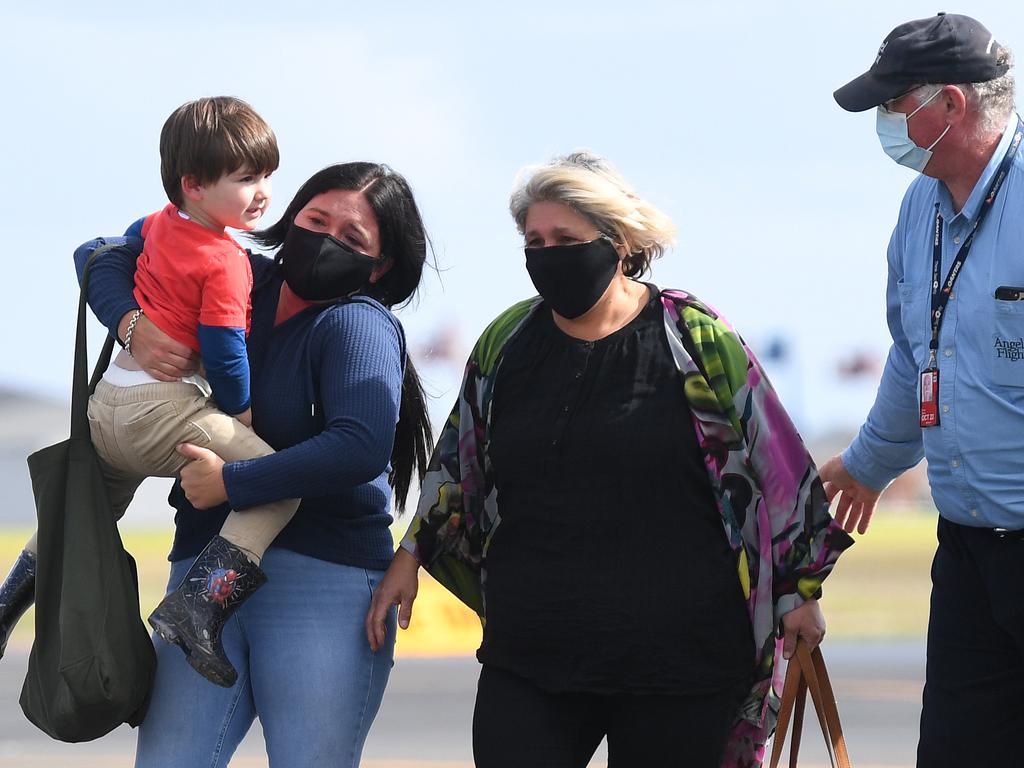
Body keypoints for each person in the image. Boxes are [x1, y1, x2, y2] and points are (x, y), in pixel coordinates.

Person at [366, 152, 853, 768]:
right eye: (533, 241)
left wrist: (800, 592)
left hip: (681, 663)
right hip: (532, 653)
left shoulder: (695, 340)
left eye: (565, 239)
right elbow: (456, 468)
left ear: (618, 242)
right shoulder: (506, 344)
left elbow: (779, 468)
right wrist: (409, 556)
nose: (546, 255)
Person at [55, 162, 431, 767]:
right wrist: (133, 325)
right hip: (198, 577)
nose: (327, 239)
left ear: (379, 266)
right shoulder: (238, 276)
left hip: (322, 583)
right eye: (316, 219)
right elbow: (98, 255)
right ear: (290, 216)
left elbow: (358, 446)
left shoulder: (356, 323)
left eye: (352, 238)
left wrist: (235, 480)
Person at [0, 96, 301, 688]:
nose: (263, 191)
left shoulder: (156, 225)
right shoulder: (226, 261)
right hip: (160, 412)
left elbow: (94, 251)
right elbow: (224, 353)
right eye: (245, 179)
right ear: (193, 184)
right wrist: (240, 415)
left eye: (267, 174)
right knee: (274, 484)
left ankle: (6, 604)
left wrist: (127, 319)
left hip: (106, 407)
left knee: (83, 510)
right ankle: (200, 608)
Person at [824, 12, 1022, 765]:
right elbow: (915, 355)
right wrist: (872, 461)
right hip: (969, 550)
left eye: (893, 102)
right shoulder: (920, 212)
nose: (885, 123)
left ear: (951, 104)